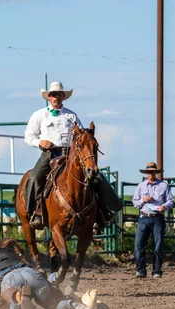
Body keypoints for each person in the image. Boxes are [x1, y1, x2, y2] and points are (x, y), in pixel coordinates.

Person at [24, 81, 121, 229]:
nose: (56, 97)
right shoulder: (39, 115)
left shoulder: (71, 115)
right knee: (34, 178)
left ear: (63, 97)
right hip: (49, 154)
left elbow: (83, 135)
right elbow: (28, 136)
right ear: (48, 97)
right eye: (53, 94)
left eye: (59, 94)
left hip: (71, 154)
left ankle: (104, 212)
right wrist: (40, 142)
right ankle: (35, 213)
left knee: (96, 177)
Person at [0, 238, 107, 309]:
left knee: (14, 308)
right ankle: (77, 307)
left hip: (9, 280)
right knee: (55, 305)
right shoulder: (19, 254)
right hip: (31, 274)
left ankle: (18, 300)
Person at [132, 161, 174, 279]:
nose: (150, 173)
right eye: (148, 171)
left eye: (152, 171)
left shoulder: (164, 186)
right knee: (139, 245)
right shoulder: (141, 186)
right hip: (144, 217)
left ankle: (156, 271)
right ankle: (141, 270)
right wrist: (143, 200)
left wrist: (164, 206)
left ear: (155, 172)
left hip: (158, 218)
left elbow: (171, 200)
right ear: (146, 173)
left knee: (158, 245)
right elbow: (135, 203)